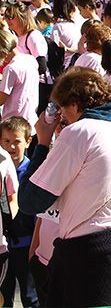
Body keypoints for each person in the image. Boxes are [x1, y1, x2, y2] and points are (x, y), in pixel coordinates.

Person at [19, 68, 111, 307]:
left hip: (92, 256)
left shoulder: (80, 132)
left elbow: (30, 201)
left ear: (74, 104)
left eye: (62, 109)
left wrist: (43, 143)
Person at [0, 116, 36, 308]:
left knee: (30, 296)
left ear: (28, 141)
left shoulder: (33, 171)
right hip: (4, 247)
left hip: (26, 245)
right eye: (6, 141)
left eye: (16, 142)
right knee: (4, 297)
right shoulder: (0, 169)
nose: (11, 147)